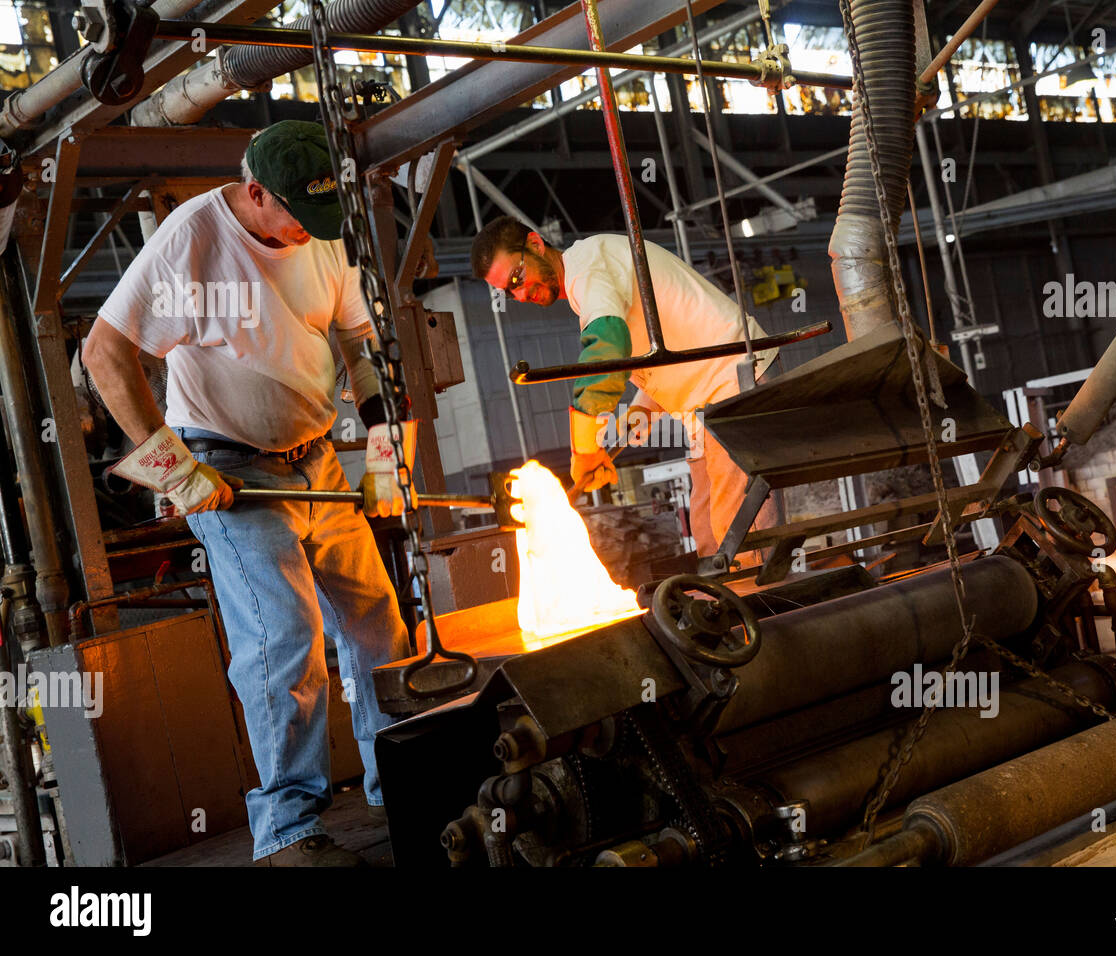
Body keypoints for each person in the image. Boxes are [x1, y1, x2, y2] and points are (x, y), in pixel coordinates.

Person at [82, 120, 412, 867]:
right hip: (228, 469)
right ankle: (289, 832)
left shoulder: (321, 227)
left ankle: (401, 775)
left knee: (376, 623)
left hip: (318, 460)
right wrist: (174, 469)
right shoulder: (191, 239)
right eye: (295, 215)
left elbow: (361, 341)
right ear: (254, 191)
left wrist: (388, 450)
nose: (309, 233)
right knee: (283, 640)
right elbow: (103, 353)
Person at [470, 217, 777, 559]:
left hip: (731, 380)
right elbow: (662, 356)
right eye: (510, 292)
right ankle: (727, 599)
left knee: (738, 538)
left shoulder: (588, 264)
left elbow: (607, 347)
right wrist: (638, 413)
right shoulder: (589, 283)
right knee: (708, 537)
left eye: (517, 277)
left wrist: (584, 450)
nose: (521, 293)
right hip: (705, 402)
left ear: (536, 245)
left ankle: (763, 605)